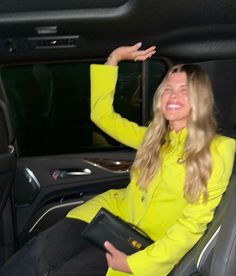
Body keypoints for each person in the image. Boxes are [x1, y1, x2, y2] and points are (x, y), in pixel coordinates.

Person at [0, 42, 235, 276]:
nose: (173, 96)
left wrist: (137, 265)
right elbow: (102, 116)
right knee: (37, 253)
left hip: (140, 244)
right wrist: (113, 59)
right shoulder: (153, 137)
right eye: (168, 89)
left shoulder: (218, 149)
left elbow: (192, 225)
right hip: (108, 217)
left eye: (184, 90)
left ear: (200, 99)